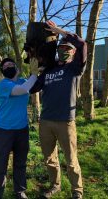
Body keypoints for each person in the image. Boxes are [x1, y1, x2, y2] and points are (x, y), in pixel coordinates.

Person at [30, 20, 87, 199]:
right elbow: (33, 89)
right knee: (50, 159)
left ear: (73, 53)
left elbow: (83, 44)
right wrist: (33, 73)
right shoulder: (48, 70)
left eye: (67, 48)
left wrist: (59, 31)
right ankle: (55, 185)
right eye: (61, 48)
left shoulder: (75, 68)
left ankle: (77, 191)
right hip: (46, 121)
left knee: (71, 161)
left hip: (65, 121)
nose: (63, 50)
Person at [0, 57, 39, 199]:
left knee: (20, 163)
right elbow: (23, 90)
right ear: (3, 72)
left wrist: (41, 68)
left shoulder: (24, 81)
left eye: (11, 65)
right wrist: (34, 74)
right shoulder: (3, 84)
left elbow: (34, 84)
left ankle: (20, 191)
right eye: (5, 67)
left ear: (17, 67)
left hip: (22, 130)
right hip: (3, 131)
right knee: (0, 166)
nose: (8, 67)